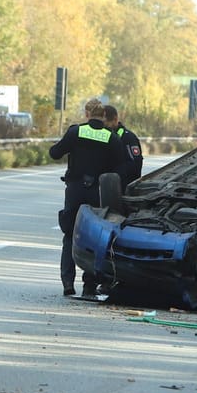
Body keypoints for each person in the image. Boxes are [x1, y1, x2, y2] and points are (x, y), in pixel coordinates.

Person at [50, 97, 125, 297]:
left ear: (87, 114)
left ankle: (67, 282)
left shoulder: (76, 132)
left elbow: (55, 153)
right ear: (104, 116)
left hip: (75, 190)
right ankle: (89, 285)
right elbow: (123, 165)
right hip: (97, 192)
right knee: (93, 238)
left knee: (69, 234)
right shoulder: (111, 138)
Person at [102, 104, 143, 188]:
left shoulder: (128, 138)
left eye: (106, 124)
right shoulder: (101, 136)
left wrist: (113, 172)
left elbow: (136, 164)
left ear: (115, 119)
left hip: (123, 185)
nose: (104, 128)